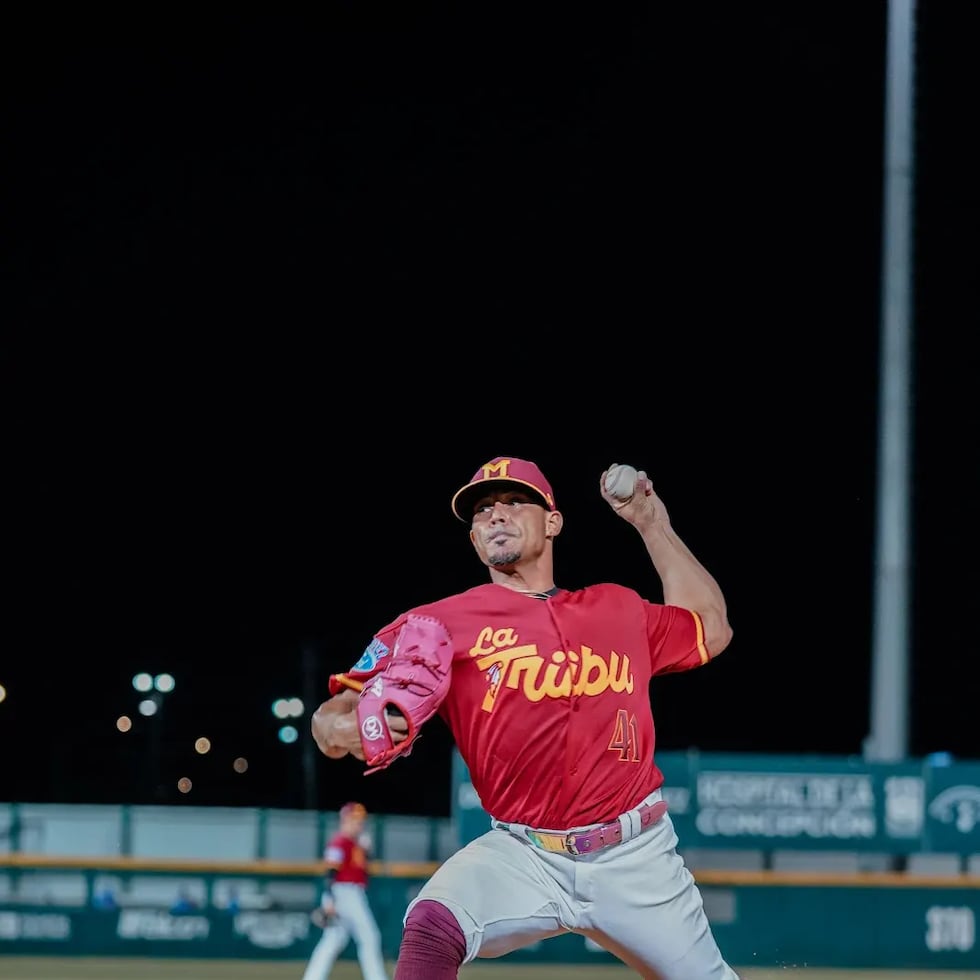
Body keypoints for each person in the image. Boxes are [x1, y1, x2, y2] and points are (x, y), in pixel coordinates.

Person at [311, 456, 739, 980]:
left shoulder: (617, 609)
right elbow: (334, 715)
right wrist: (347, 727)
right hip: (523, 851)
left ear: (553, 522)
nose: (495, 515)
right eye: (483, 510)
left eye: (515, 502)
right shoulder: (437, 624)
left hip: (637, 856)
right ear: (473, 540)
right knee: (431, 926)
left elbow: (711, 628)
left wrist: (652, 521)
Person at [302, 801, 390, 980]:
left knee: (334, 939)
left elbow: (361, 868)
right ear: (345, 820)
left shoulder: (354, 843)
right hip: (344, 893)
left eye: (360, 820)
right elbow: (330, 873)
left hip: (349, 893)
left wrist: (365, 852)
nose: (359, 824)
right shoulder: (339, 842)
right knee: (369, 936)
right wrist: (328, 899)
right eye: (355, 820)